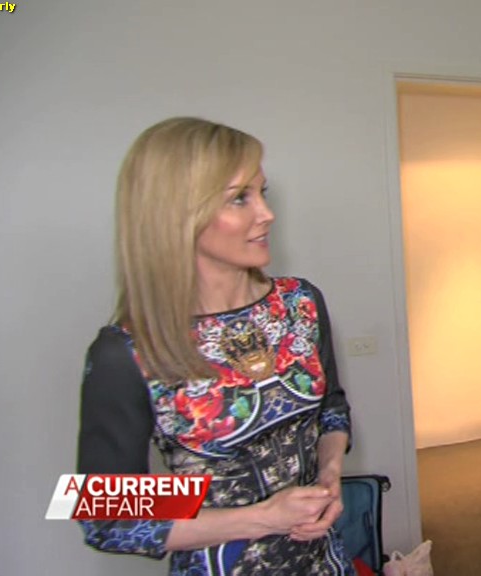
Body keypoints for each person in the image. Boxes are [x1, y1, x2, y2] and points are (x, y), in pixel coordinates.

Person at [76, 117, 355, 575]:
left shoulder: (300, 303)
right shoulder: (127, 352)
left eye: (263, 192)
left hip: (324, 561)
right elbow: (104, 516)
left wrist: (329, 477)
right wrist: (261, 517)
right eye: (240, 198)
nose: (267, 213)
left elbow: (332, 410)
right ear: (177, 215)